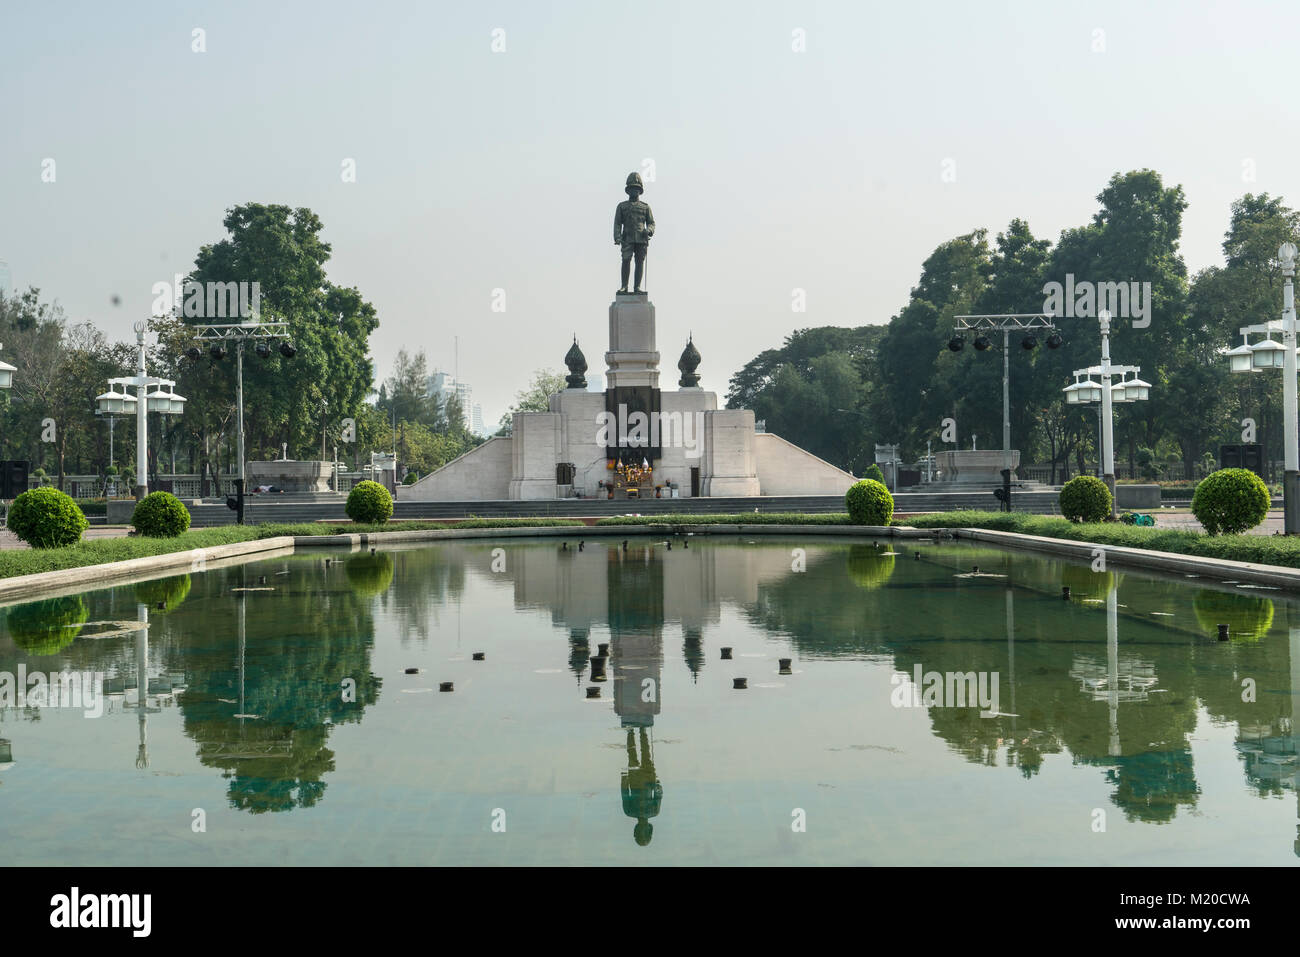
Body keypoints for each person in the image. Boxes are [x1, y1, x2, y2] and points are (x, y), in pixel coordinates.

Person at [613, 172, 655, 293]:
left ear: (640, 190)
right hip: (627, 237)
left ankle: (637, 287)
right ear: (628, 190)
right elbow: (617, 223)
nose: (634, 191)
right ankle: (624, 286)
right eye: (632, 188)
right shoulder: (622, 206)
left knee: (639, 262)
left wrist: (649, 231)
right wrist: (617, 237)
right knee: (626, 260)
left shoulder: (645, 207)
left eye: (636, 189)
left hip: (641, 239)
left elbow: (651, 222)